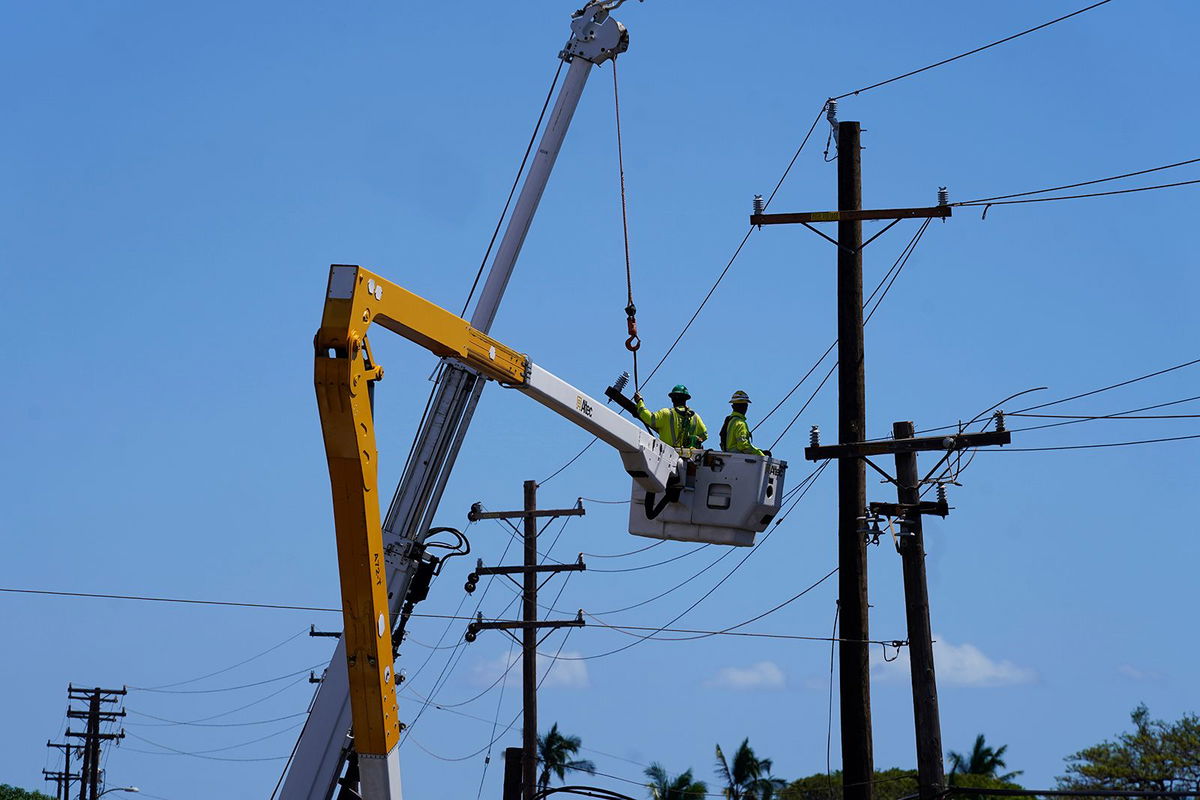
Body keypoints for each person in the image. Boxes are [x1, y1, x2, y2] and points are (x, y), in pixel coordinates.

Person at [633, 384, 708, 449]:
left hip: (667, 456)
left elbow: (649, 418)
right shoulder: (695, 416)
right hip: (689, 457)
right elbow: (704, 435)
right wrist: (694, 441)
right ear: (686, 399)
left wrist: (640, 402)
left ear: (672, 399)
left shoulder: (667, 414)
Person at [720, 390, 770, 456]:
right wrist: (760, 454)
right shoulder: (740, 424)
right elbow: (743, 446)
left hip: (728, 458)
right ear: (746, 407)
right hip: (739, 460)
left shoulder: (729, 420)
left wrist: (760, 451)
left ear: (733, 406)